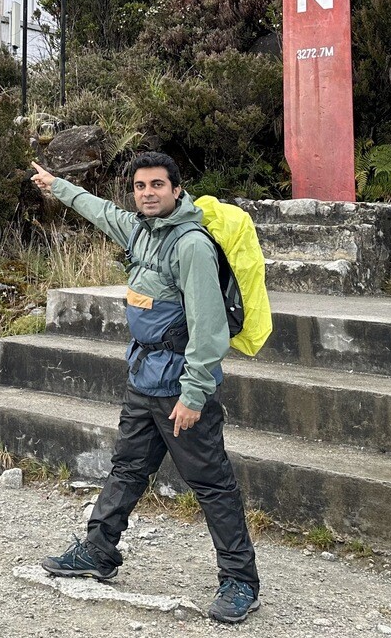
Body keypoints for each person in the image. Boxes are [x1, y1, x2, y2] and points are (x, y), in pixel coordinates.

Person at [30, 152, 260, 624]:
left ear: (177, 189)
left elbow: (210, 328)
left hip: (180, 385)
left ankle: (240, 582)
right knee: (128, 469)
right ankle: (97, 551)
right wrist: (59, 186)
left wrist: (193, 395)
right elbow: (100, 211)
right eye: (140, 186)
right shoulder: (139, 230)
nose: (147, 193)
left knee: (212, 483)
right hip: (143, 377)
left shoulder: (191, 244)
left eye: (157, 185)